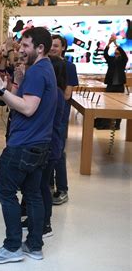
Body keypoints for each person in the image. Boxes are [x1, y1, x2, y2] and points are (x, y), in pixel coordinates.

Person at [0, 27, 57, 264]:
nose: (20, 50)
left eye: (25, 46)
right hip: (39, 143)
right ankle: (34, 246)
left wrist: (0, 90)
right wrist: (12, 84)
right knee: (33, 194)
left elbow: (27, 107)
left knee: (5, 191)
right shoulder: (42, 70)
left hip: (23, 145)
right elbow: (19, 101)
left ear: (40, 48)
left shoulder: (37, 72)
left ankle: (12, 246)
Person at [21, 55, 67, 238]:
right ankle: (36, 218)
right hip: (49, 143)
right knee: (36, 185)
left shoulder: (53, 92)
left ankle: (45, 223)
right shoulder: (54, 90)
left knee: (41, 187)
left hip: (50, 145)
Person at [48, 34, 79, 205]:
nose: (53, 48)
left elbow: (67, 94)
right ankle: (49, 185)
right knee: (48, 152)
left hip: (58, 116)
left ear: (63, 48)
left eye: (56, 46)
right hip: (45, 117)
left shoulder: (69, 67)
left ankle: (62, 189)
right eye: (51, 45)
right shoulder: (45, 65)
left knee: (58, 152)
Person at [96, 34, 129, 130]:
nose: (117, 54)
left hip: (119, 86)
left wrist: (116, 44)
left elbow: (124, 54)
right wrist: (109, 43)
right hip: (110, 85)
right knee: (107, 104)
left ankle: (117, 124)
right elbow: (105, 53)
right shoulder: (111, 60)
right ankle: (106, 123)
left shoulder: (123, 61)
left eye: (118, 53)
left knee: (120, 106)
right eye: (116, 53)